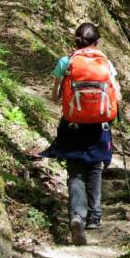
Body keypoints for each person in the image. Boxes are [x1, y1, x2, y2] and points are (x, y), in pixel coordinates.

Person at [41, 23, 122, 246]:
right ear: (97, 42)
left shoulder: (66, 62)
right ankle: (94, 217)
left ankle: (77, 215)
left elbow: (55, 96)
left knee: (75, 171)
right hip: (99, 126)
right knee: (96, 167)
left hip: (72, 125)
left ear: (75, 40)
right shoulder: (105, 63)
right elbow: (118, 96)